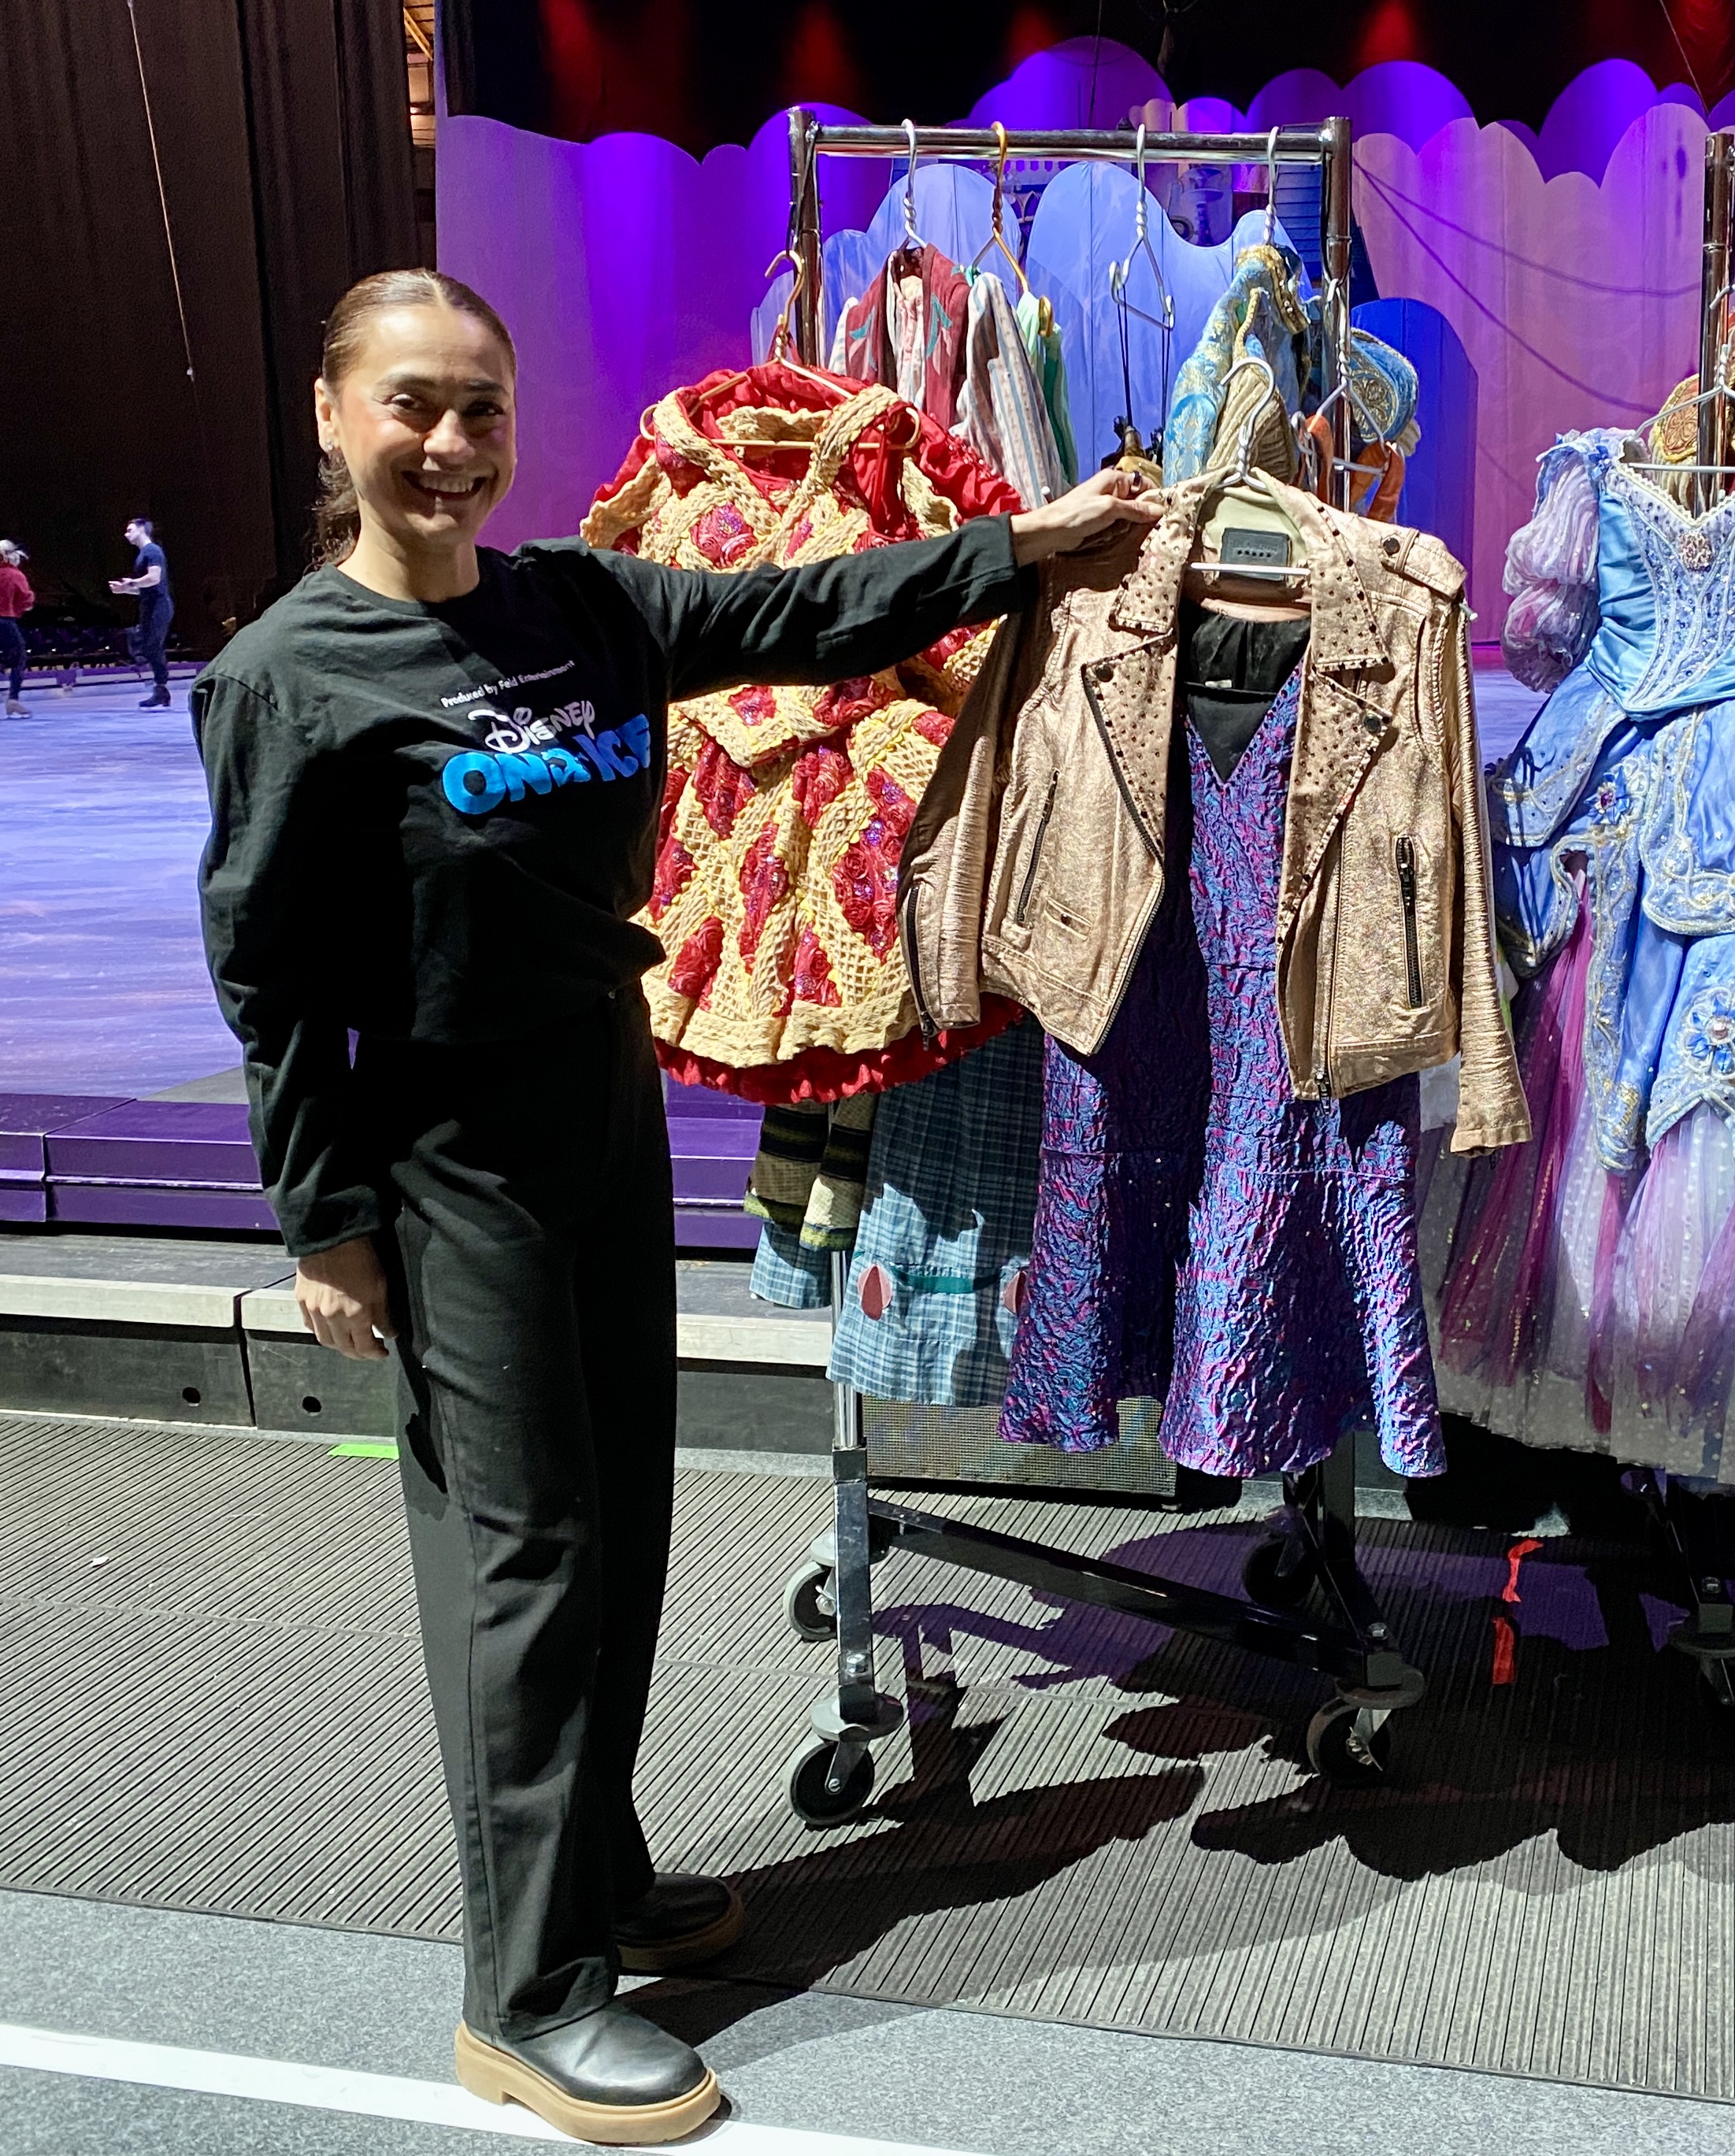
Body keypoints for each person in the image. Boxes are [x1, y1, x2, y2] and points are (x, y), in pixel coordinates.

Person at [193, 269, 1157, 2147]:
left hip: (598, 1115)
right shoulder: (288, 678)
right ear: (331, 416)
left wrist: (1025, 545)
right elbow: (272, 974)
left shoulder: (582, 605)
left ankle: (599, 1872)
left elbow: (806, 612)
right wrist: (324, 1220)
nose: (451, 441)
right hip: (446, 1154)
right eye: (411, 404)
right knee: (524, 1554)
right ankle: (525, 1991)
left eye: (479, 404)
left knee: (618, 1512)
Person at [108, 514, 172, 706]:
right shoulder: (143, 554)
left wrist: (132, 583)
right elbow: (147, 587)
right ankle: (160, 688)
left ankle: (161, 687)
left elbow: (154, 578)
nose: (126, 534)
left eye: (130, 530)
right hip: (149, 605)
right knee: (147, 645)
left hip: (159, 607)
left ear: (142, 530)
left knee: (151, 645)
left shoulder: (152, 551)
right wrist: (126, 589)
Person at [0, 541, 31, 715]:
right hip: (5, 621)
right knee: (19, 659)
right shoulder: (14, 575)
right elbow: (26, 600)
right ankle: (13, 699)